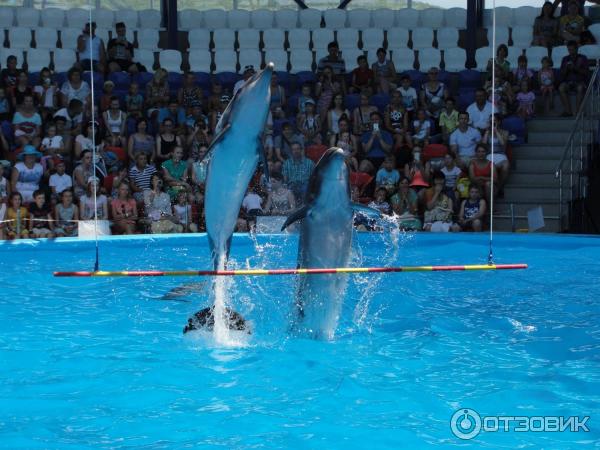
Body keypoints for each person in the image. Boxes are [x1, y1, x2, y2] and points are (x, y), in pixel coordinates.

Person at [558, 40, 589, 116]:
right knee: (561, 88)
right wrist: (566, 69)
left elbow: (586, 73)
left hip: (580, 82)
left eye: (572, 50)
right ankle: (568, 111)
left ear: (576, 49)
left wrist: (575, 68)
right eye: (569, 50)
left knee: (580, 88)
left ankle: (579, 112)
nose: (570, 52)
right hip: (568, 82)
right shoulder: (565, 59)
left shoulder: (583, 58)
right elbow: (561, 75)